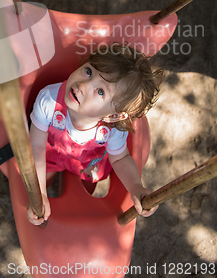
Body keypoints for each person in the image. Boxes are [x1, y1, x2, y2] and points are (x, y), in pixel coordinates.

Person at [26, 43, 163, 225]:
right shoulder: (49, 100)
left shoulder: (113, 129)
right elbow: (35, 147)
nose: (83, 85)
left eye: (100, 91)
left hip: (87, 162)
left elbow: (120, 159)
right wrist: (41, 192)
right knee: (44, 178)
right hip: (51, 152)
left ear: (113, 115)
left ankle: (72, 195)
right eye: (89, 71)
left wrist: (136, 187)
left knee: (86, 187)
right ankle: (48, 188)